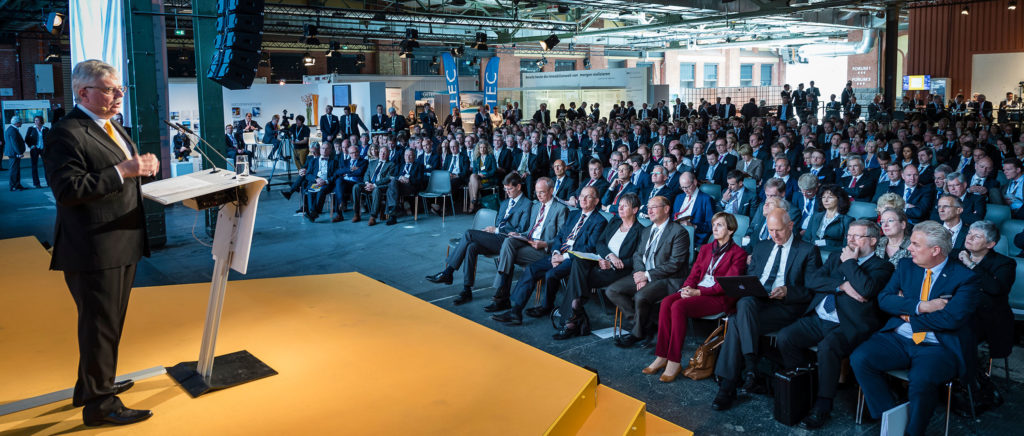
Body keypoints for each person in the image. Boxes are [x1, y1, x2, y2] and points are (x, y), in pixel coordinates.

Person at [43, 59, 160, 426]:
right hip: (93, 247)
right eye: (110, 89)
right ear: (84, 93)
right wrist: (123, 170)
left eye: (119, 88)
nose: (119, 95)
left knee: (106, 324)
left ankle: (91, 386)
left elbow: (120, 176)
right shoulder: (66, 133)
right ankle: (100, 405)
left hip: (120, 241)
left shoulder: (112, 127)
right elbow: (68, 190)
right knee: (100, 326)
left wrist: (140, 168)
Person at [850, 221, 980, 436]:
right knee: (860, 358)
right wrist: (922, 307)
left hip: (938, 346)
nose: (909, 248)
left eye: (916, 244)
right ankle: (889, 418)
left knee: (921, 381)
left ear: (935, 250)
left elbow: (950, 319)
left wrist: (907, 314)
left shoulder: (965, 278)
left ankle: (914, 432)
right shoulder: (906, 266)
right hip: (898, 338)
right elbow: (884, 300)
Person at [776, 220, 895, 429]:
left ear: (873, 240)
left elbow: (866, 289)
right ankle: (804, 385)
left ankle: (823, 405)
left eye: (857, 236)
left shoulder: (883, 266)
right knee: (785, 337)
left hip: (850, 324)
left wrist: (850, 263)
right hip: (820, 317)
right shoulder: (835, 257)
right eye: (849, 235)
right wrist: (842, 286)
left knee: (828, 347)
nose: (850, 240)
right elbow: (812, 281)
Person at [711, 208, 821, 411]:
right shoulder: (762, 247)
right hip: (757, 303)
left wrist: (787, 291)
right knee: (745, 302)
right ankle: (750, 368)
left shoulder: (807, 250)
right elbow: (751, 277)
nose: (775, 235)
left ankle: (729, 386)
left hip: (785, 307)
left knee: (736, 321)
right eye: (771, 230)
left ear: (791, 226)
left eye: (779, 230)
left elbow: (812, 290)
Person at [645, 212, 747, 382]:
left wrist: (698, 292)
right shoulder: (706, 249)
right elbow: (694, 274)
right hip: (697, 291)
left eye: (720, 225)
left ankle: (674, 360)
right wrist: (687, 288)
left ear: (731, 230)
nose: (715, 228)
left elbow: (726, 285)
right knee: (667, 302)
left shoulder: (739, 254)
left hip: (718, 298)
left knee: (678, 306)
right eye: (713, 225)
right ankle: (661, 355)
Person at [491, 186, 606, 325]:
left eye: (588, 197)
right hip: (559, 254)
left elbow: (590, 247)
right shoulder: (574, 214)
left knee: (551, 274)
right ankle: (515, 311)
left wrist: (563, 257)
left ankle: (546, 307)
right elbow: (560, 236)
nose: (583, 199)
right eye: (582, 195)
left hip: (576, 259)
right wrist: (556, 252)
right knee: (531, 269)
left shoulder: (600, 221)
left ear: (596, 201)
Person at [426, 173, 532, 305]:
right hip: (496, 238)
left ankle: (448, 272)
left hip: (508, 241)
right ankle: (466, 290)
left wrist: (497, 230)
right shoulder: (505, 203)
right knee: (471, 247)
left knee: (469, 234)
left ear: (519, 187)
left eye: (509, 189)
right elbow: (498, 221)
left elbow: (521, 228)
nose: (507, 192)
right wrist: (492, 230)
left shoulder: (527, 204)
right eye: (505, 189)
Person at [556, 193, 645, 340]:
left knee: (577, 278)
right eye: (619, 205)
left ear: (635, 210)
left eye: (625, 206)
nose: (620, 208)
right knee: (578, 262)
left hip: (619, 270)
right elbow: (600, 243)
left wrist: (613, 263)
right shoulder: (615, 222)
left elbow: (636, 258)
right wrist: (609, 256)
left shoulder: (640, 231)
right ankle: (575, 314)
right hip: (601, 261)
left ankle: (572, 318)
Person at [606, 195, 690, 348]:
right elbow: (638, 255)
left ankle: (637, 333)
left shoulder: (679, 232)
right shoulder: (646, 230)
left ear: (666, 209)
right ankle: (642, 324)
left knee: (641, 296)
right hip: (645, 274)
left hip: (668, 279)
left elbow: (675, 264)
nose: (649, 211)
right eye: (648, 208)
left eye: (654, 207)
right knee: (612, 290)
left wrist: (646, 275)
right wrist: (641, 274)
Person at [487, 178, 569, 312]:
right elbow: (530, 230)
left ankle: (501, 294)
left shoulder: (561, 209)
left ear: (551, 191)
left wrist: (545, 244)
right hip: (528, 242)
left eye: (542, 192)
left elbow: (561, 238)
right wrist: (519, 234)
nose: (539, 195)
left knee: (507, 254)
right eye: (537, 192)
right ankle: (502, 293)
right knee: (508, 241)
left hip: (543, 249)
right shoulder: (536, 206)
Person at [958, 220, 1016, 365]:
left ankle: (968, 373)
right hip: (958, 311)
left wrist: (971, 264)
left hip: (987, 319)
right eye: (969, 233)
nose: (969, 238)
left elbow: (995, 288)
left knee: (957, 334)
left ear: (990, 244)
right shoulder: (956, 255)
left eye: (977, 236)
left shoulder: (1005, 263)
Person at [803, 184, 854, 251]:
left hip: (832, 253)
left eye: (830, 197)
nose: (825, 200)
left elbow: (846, 245)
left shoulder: (847, 220)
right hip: (812, 252)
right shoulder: (815, 216)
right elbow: (806, 238)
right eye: (823, 197)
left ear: (839, 199)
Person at [353, 146, 394, 225]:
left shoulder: (391, 164)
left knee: (376, 190)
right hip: (369, 184)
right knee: (356, 187)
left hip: (381, 186)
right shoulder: (372, 163)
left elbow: (388, 178)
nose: (382, 154)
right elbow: (366, 175)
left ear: (388, 154)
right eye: (381, 152)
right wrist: (367, 183)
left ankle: (373, 217)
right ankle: (356, 214)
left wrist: (374, 185)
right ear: (379, 152)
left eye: (385, 152)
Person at [385, 148, 426, 225]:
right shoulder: (400, 165)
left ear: (414, 157)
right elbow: (394, 176)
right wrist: (400, 178)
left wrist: (408, 179)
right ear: (404, 156)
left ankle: (392, 214)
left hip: (411, 187)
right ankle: (393, 214)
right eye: (406, 155)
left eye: (410, 155)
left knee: (391, 188)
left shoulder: (419, 166)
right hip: (398, 186)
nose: (408, 157)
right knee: (393, 184)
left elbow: (420, 180)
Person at [672, 172, 714, 244]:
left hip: (692, 236)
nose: (685, 190)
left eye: (687, 187)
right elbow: (673, 216)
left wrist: (693, 226)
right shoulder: (679, 197)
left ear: (695, 182)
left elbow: (710, 225)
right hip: (676, 232)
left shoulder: (706, 199)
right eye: (682, 187)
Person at [302, 142, 338, 222]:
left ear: (330, 150)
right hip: (315, 182)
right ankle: (314, 212)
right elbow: (308, 174)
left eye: (326, 149)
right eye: (323, 148)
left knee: (321, 190)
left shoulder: (334, 162)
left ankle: (313, 212)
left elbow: (335, 175)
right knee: (311, 191)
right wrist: (316, 179)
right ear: (320, 149)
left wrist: (325, 181)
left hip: (326, 184)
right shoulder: (313, 161)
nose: (324, 150)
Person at [467, 141, 498, 212]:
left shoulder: (491, 157)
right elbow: (474, 171)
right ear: (478, 149)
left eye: (484, 147)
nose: (482, 149)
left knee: (470, 184)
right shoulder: (476, 158)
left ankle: (472, 205)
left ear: (487, 148)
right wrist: (478, 174)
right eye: (481, 147)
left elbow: (494, 170)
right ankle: (475, 198)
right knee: (472, 176)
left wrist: (486, 174)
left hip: (488, 179)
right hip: (478, 179)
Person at [24, 115, 48, 187]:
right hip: (35, 149)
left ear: (41, 121)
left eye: (37, 120)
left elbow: (49, 138)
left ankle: (49, 182)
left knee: (47, 166)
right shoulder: (31, 129)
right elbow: (27, 139)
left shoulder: (46, 129)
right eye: (35, 120)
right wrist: (31, 146)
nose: (36, 122)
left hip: (43, 149)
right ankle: (36, 183)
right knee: (34, 166)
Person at [4, 115, 26, 191]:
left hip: (14, 153)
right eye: (20, 122)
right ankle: (13, 185)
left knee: (16, 169)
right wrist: (19, 153)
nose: (21, 123)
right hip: (14, 154)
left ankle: (17, 185)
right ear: (16, 123)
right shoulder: (12, 130)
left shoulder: (12, 129)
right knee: (14, 170)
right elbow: (14, 143)